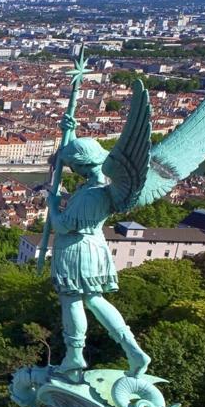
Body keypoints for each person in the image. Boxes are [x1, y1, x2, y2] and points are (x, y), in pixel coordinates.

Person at [47, 114, 150, 379]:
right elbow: (64, 159)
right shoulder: (104, 186)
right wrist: (70, 132)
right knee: (94, 299)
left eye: (75, 167)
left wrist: (52, 207)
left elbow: (62, 226)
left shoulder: (91, 194)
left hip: (74, 249)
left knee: (71, 301)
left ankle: (74, 355)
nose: (72, 171)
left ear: (83, 166)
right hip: (95, 247)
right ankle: (132, 348)